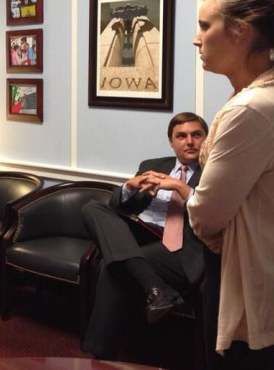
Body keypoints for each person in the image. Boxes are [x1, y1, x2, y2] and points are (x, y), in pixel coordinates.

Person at [187, 0, 274, 369]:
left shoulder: (252, 109)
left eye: (205, 26)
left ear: (240, 32)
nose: (197, 38)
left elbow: (207, 213)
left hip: (253, 276)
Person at [81, 112, 208, 360]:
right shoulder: (153, 165)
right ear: (171, 142)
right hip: (142, 233)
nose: (189, 141)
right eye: (181, 136)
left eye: (196, 135)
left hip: (180, 247)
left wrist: (181, 188)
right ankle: (156, 287)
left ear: (206, 139)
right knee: (92, 207)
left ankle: (100, 354)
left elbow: (212, 214)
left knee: (112, 265)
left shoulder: (215, 171)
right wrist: (130, 186)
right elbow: (120, 206)